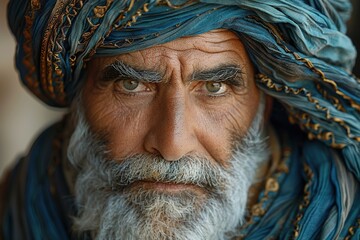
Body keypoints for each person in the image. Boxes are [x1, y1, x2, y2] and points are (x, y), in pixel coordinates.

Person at [1, 0, 360, 239]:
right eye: (131, 85)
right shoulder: (18, 204)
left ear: (263, 106)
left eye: (215, 87)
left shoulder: (345, 221)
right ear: (79, 103)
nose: (172, 145)